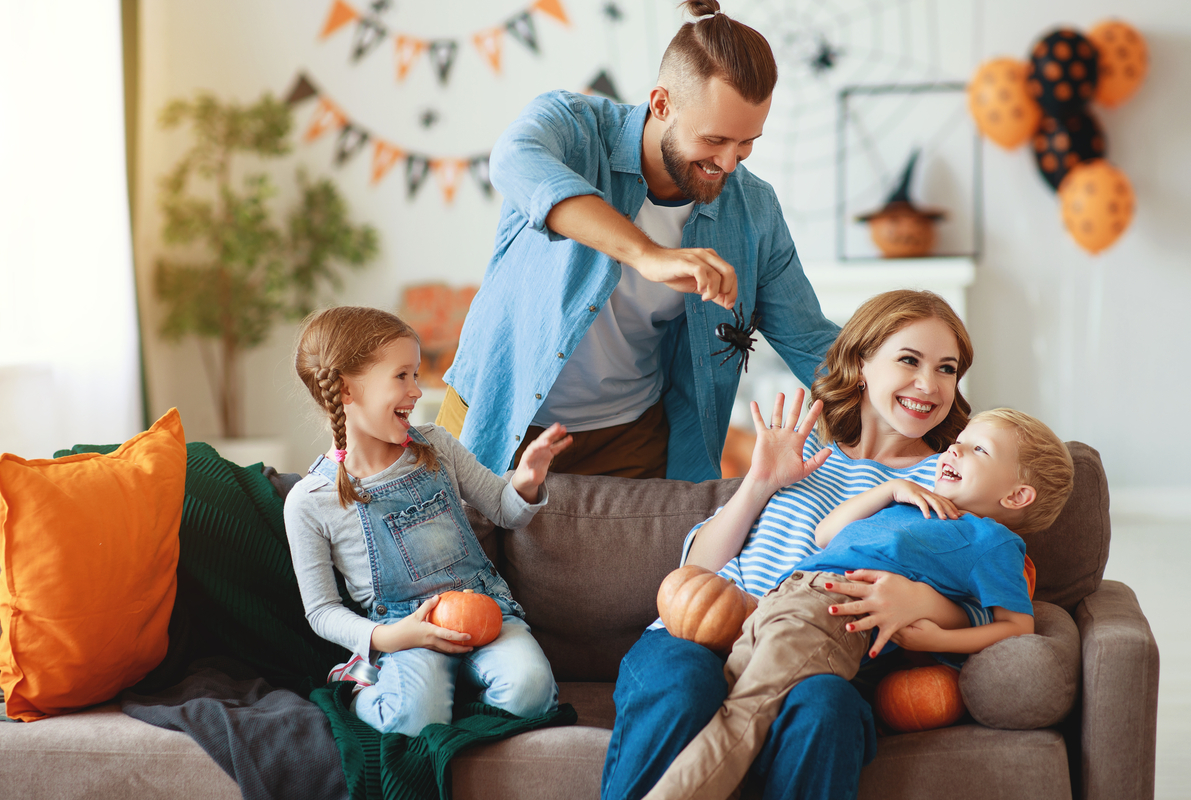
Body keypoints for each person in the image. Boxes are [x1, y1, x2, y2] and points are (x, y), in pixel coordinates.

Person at [601, 289, 985, 800]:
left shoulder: (946, 481)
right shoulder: (802, 446)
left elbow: (981, 597)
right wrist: (759, 483)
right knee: (683, 685)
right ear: (862, 362)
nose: (928, 384)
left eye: (946, 369)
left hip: (820, 658)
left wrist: (922, 602)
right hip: (706, 633)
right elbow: (695, 571)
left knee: (827, 710)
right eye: (909, 360)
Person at [437, 0, 840, 482]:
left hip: (629, 439)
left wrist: (924, 417)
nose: (730, 163)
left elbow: (813, 343)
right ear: (661, 104)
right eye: (713, 140)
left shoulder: (754, 209)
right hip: (495, 413)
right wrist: (648, 255)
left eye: (747, 142)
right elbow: (512, 161)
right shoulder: (574, 128)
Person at [642, 407, 1075, 800]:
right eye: (959, 440)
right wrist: (890, 490)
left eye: (977, 449)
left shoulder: (995, 542)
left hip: (830, 613)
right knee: (732, 698)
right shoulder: (918, 504)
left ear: (1017, 496)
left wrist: (941, 636)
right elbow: (826, 534)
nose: (955, 450)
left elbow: (1018, 625)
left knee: (744, 713)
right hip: (778, 600)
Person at [284, 306, 572, 736]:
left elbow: (504, 510)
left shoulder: (437, 445)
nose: (417, 390)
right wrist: (388, 640)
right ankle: (360, 686)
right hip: (405, 632)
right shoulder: (309, 501)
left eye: (416, 375)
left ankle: (453, 693)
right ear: (346, 389)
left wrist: (527, 480)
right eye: (402, 376)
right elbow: (323, 611)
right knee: (412, 721)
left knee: (530, 693)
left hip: (485, 613)